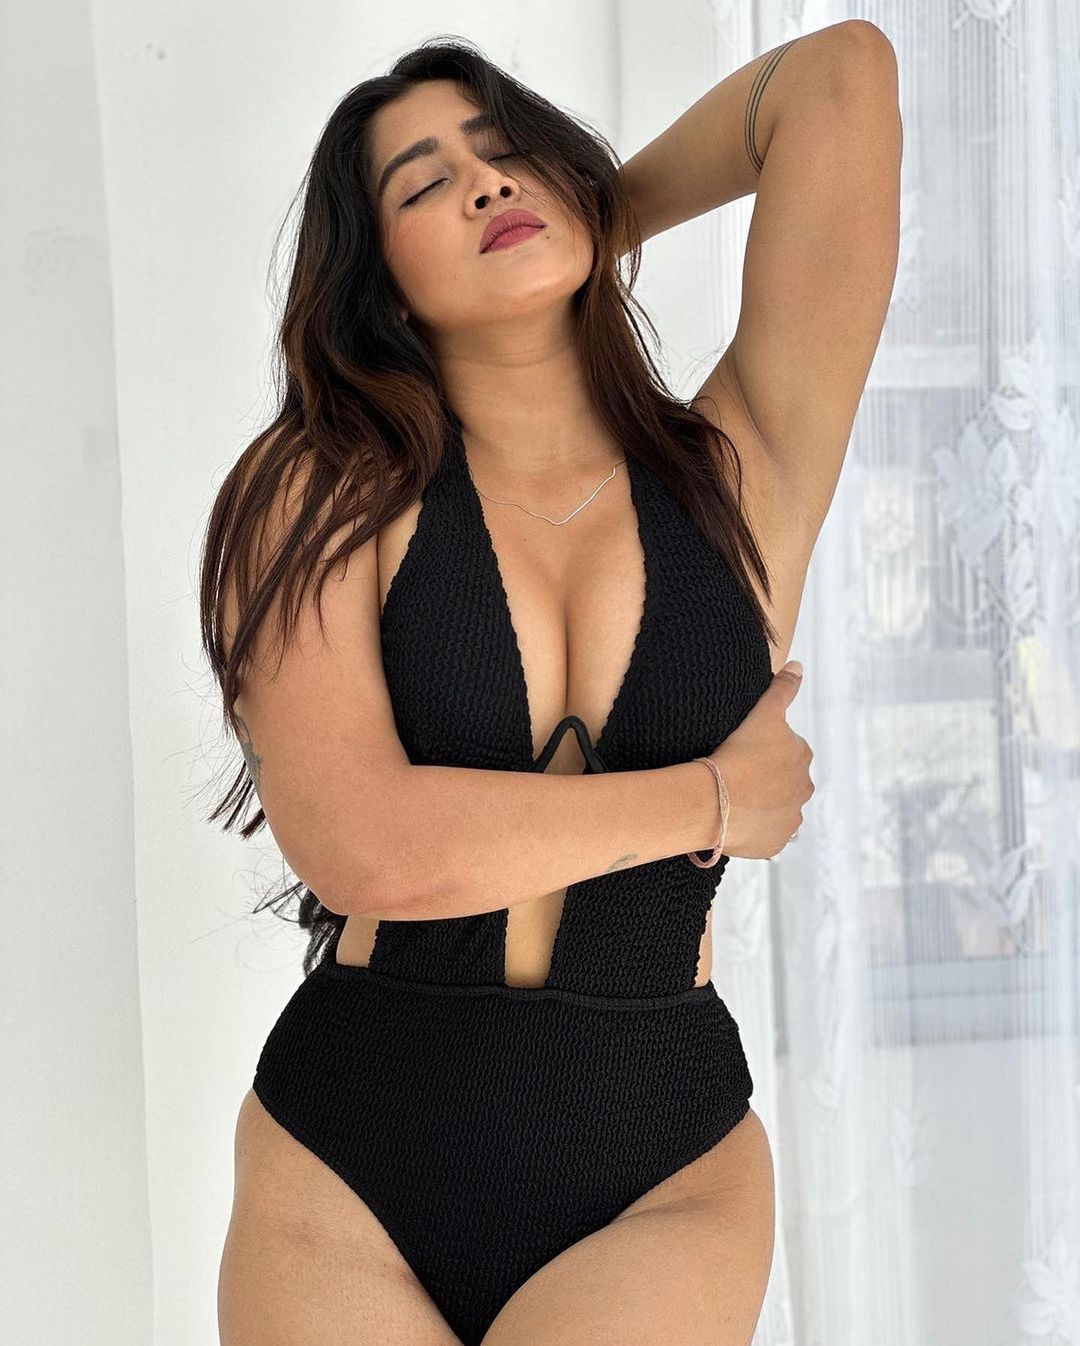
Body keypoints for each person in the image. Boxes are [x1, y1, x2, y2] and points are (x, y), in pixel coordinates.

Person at [208, 22, 899, 1346]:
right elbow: (366, 847)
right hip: (354, 1158)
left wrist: (588, 211)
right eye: (426, 184)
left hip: (656, 1163)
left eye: (506, 151)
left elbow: (840, 78)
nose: (483, 182)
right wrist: (713, 799)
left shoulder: (747, 468)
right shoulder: (317, 491)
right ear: (378, 278)